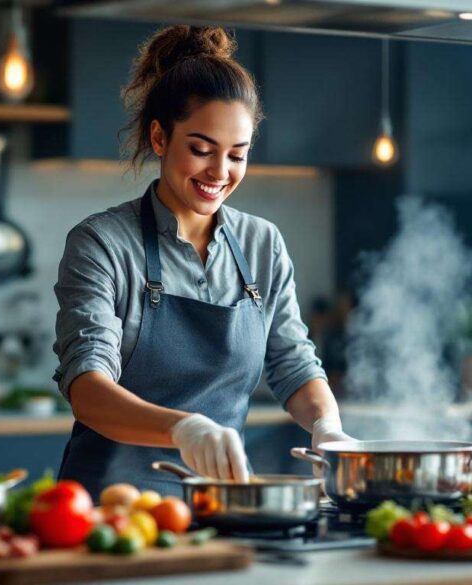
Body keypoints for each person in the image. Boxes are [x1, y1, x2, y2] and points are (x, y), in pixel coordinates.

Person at [52, 25, 355, 498]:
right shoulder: (102, 243)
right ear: (158, 137)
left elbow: (293, 364)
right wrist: (184, 428)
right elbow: (87, 387)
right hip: (110, 509)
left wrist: (327, 427)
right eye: (201, 150)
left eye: (237, 155)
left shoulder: (263, 244)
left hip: (219, 506)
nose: (220, 173)